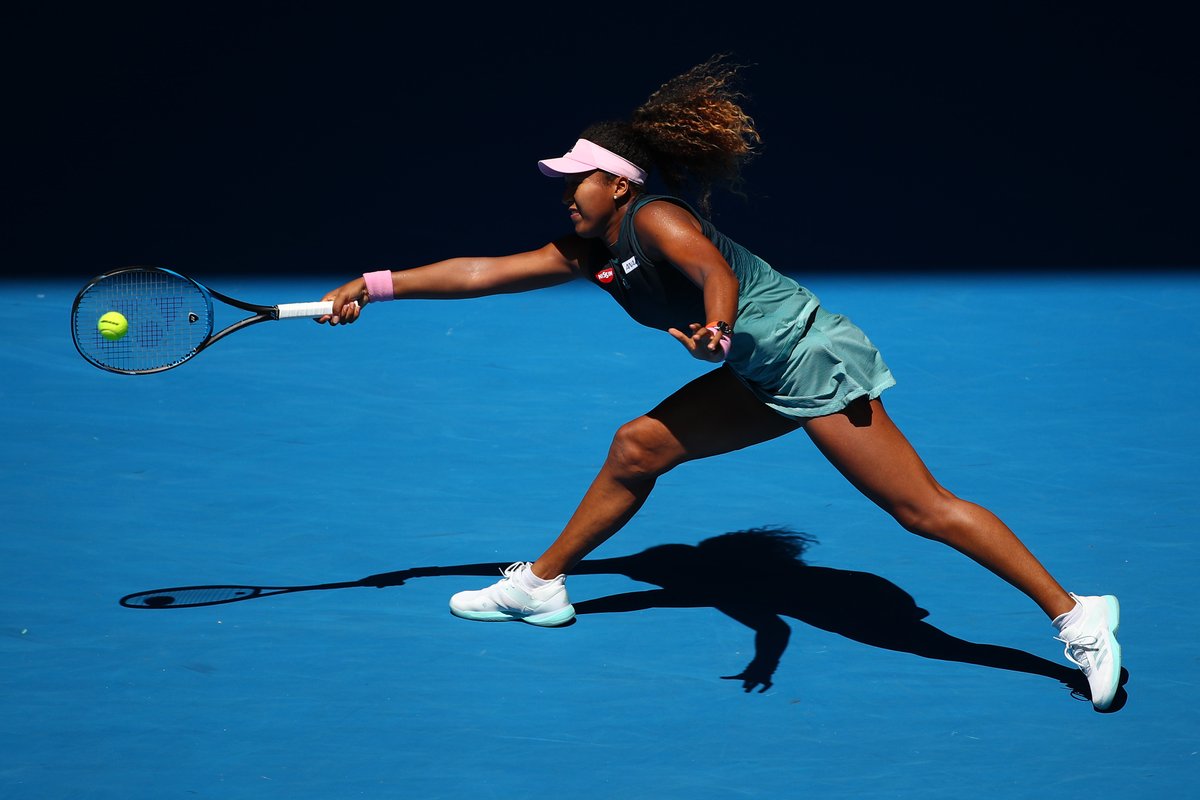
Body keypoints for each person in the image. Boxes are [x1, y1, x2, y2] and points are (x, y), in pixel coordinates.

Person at [318, 55, 1122, 710]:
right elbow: (478, 272)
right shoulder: (588, 251)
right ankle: (541, 585)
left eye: (577, 181)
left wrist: (719, 328)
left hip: (808, 358)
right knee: (637, 447)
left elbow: (713, 272)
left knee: (922, 509)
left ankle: (1075, 614)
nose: (566, 194)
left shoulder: (657, 218)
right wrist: (374, 284)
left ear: (619, 185)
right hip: (755, 369)